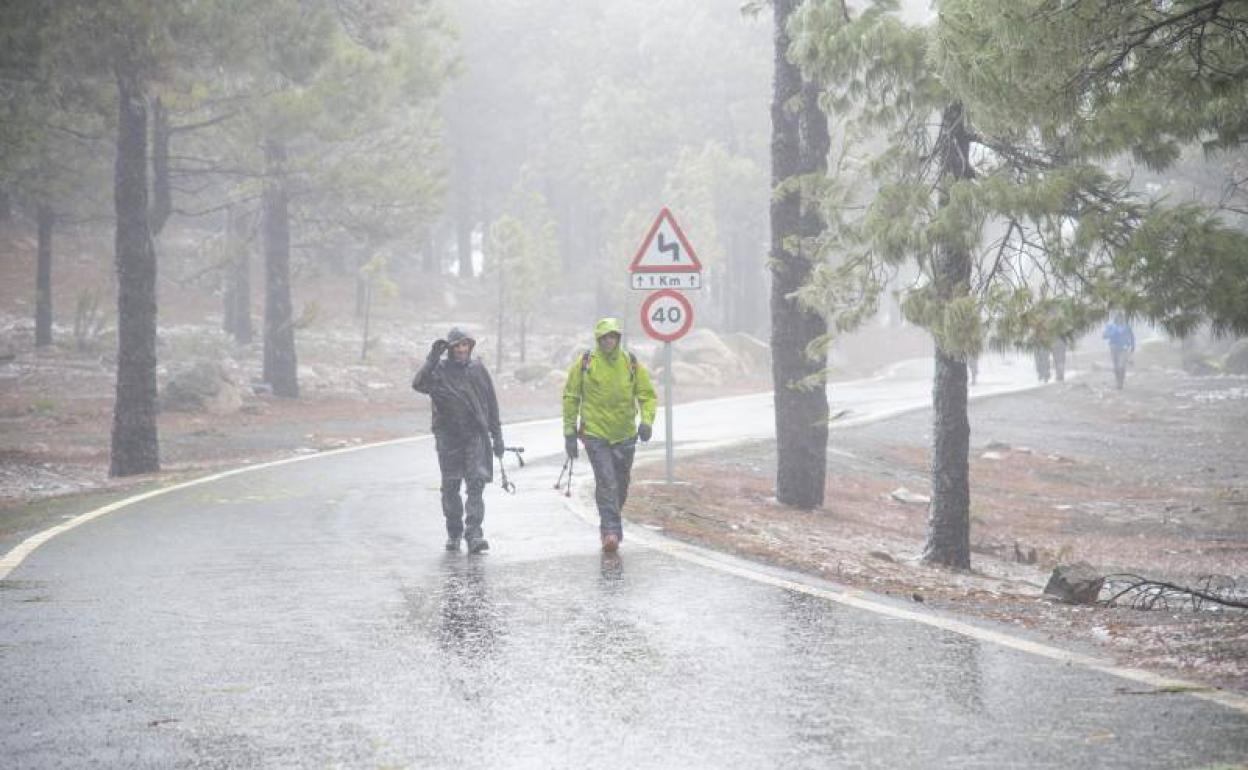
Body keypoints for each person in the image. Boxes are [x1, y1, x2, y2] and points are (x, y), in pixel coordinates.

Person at [562, 318, 657, 552]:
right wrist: (569, 432)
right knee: (606, 481)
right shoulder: (586, 363)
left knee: (621, 484)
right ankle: (610, 532)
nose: (608, 341)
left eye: (612, 336)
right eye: (604, 337)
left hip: (625, 434)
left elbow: (647, 395)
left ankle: (611, 521)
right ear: (598, 339)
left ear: (618, 338)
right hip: (595, 434)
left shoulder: (630, 362)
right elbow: (571, 396)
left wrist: (646, 421)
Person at [412, 328, 505, 554]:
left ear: (470, 346)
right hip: (448, 437)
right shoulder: (439, 371)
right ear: (450, 349)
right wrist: (432, 359)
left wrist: (497, 435)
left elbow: (491, 403)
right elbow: (418, 384)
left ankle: (474, 534)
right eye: (457, 346)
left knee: (475, 484)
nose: (462, 350)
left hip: (475, 435)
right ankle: (454, 533)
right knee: (451, 487)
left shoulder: (478, 369)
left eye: (465, 345)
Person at [1102, 315, 1135, 390]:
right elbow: (1104, 336)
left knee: (1121, 365)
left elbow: (1132, 336)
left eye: (1121, 318)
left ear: (1123, 319)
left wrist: (1133, 346)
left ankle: (1121, 382)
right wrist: (1112, 333)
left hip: (1124, 348)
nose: (1120, 320)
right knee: (1116, 366)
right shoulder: (1111, 326)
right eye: (1118, 318)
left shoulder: (1127, 326)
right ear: (1116, 319)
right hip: (1113, 348)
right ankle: (1118, 381)